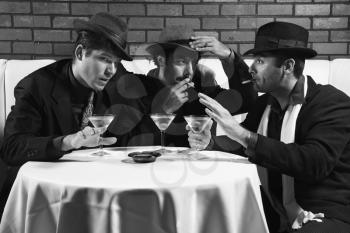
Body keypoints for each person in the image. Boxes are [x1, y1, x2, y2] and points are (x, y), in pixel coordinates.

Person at [0, 12, 163, 218]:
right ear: (80, 53)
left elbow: (150, 88)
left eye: (116, 62)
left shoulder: (115, 79)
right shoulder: (36, 86)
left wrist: (201, 77)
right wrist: (66, 142)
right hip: (46, 199)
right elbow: (12, 148)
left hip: (97, 194)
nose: (111, 70)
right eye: (104, 59)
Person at [193, 22, 350, 233]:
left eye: (260, 60)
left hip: (325, 213)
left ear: (288, 66)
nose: (251, 68)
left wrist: (242, 134)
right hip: (274, 210)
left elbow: (314, 162)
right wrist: (209, 142)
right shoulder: (264, 104)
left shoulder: (332, 103)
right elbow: (243, 146)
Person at [146, 25, 257, 148]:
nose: (189, 71)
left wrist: (229, 57)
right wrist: (164, 110)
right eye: (181, 61)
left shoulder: (202, 91)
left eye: (193, 62)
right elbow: (131, 140)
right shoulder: (141, 90)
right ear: (161, 60)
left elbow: (247, 101)